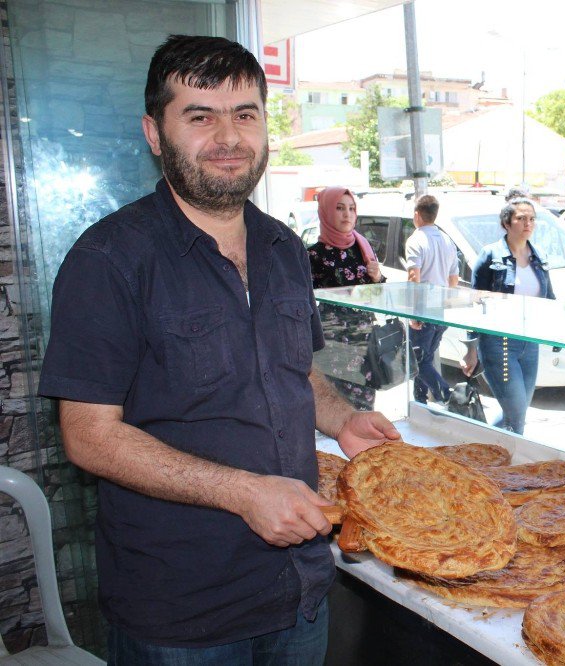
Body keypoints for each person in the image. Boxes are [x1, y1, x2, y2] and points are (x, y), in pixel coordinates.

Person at [37, 35, 400, 662]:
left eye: (245, 114)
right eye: (200, 116)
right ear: (155, 133)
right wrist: (244, 492)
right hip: (182, 613)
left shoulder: (285, 248)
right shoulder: (109, 259)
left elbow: (295, 372)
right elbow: (89, 436)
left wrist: (344, 420)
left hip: (300, 590)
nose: (228, 137)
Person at [462, 198, 565, 434]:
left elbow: (549, 301)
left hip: (530, 343)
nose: (528, 223)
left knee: (516, 414)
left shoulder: (539, 257)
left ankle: (481, 453)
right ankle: (508, 467)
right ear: (507, 223)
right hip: (500, 343)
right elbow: (476, 304)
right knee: (516, 414)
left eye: (532, 218)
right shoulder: (490, 255)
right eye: (521, 218)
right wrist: (472, 348)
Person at [308, 186, 386, 410]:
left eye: (352, 208)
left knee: (363, 410)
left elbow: (379, 295)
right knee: (335, 411)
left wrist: (377, 276)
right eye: (340, 208)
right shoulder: (313, 255)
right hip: (332, 345)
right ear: (326, 212)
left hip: (364, 342)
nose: (347, 214)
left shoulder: (363, 248)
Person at [404, 194, 459, 404]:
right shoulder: (447, 241)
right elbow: (454, 279)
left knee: (418, 360)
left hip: (423, 308)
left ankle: (447, 396)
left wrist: (413, 312)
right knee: (425, 357)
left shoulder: (416, 240)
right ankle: (420, 401)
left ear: (417, 215)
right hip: (441, 309)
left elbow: (413, 277)